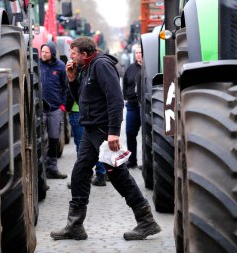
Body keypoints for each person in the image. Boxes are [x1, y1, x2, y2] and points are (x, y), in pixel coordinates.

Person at [50, 37, 161, 241]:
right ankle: (75, 226)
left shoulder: (101, 65)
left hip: (102, 131)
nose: (71, 57)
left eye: (73, 53)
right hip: (91, 130)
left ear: (84, 54)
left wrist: (113, 132)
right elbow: (81, 99)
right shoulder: (86, 67)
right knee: (80, 173)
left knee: (119, 175)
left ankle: (146, 221)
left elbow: (116, 99)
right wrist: (72, 79)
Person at [66, 93, 107, 186]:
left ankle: (83, 177)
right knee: (96, 144)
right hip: (91, 111)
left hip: (79, 110)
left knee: (82, 146)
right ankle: (99, 175)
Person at [40, 42, 68, 179]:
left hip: (55, 108)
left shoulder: (60, 67)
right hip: (40, 109)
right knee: (41, 138)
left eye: (46, 52)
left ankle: (52, 167)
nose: (43, 54)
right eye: (42, 52)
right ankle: (41, 168)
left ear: (52, 53)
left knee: (54, 139)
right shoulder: (37, 65)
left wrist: (62, 104)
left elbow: (65, 87)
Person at [122, 45, 142, 169]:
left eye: (140, 52)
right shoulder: (130, 68)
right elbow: (124, 83)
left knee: (146, 134)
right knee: (130, 133)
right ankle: (132, 160)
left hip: (145, 106)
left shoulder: (149, 67)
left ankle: (146, 162)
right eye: (136, 53)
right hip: (132, 105)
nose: (138, 55)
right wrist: (125, 96)